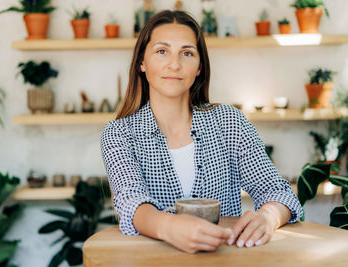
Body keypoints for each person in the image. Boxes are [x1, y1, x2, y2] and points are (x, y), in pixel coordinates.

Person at [100, 10, 303, 254]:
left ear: (199, 67)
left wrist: (269, 217)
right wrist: (171, 226)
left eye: (187, 53)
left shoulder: (229, 122)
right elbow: (130, 202)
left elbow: (276, 190)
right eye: (162, 51)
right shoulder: (119, 133)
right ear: (142, 62)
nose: (174, 64)